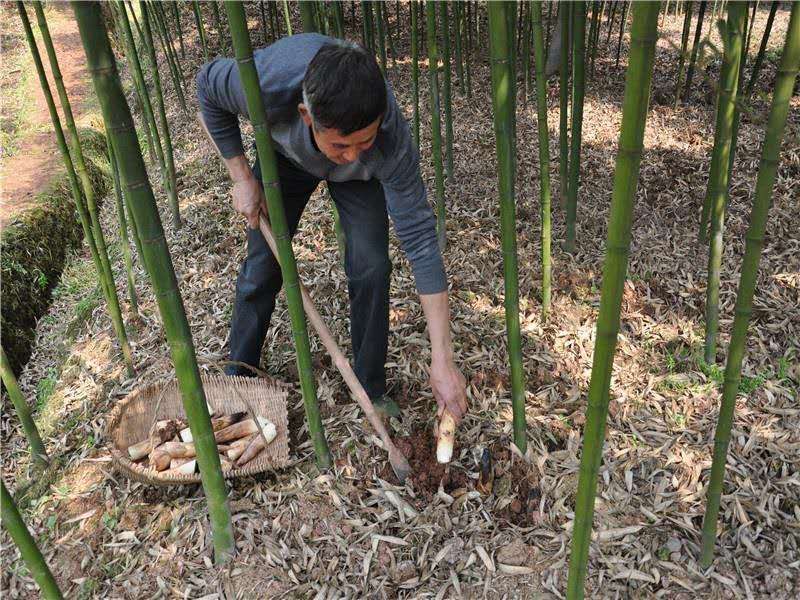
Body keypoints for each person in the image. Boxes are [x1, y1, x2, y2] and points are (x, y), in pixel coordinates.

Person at [196, 33, 467, 425]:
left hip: (362, 180)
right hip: (285, 159)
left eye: (365, 140)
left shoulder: (388, 140)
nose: (353, 152)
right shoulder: (266, 82)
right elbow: (206, 85)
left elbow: (422, 243)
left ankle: (370, 387)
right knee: (262, 266)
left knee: (372, 265)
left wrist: (443, 361)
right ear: (307, 116)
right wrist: (240, 175)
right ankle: (238, 376)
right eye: (342, 145)